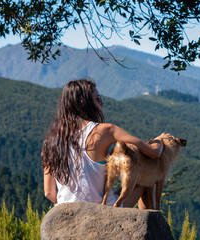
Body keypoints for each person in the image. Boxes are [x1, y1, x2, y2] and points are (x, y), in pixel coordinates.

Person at [41, 79, 172, 209]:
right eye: (97, 99)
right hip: (102, 209)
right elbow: (154, 152)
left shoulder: (51, 140)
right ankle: (147, 224)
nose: (102, 103)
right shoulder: (106, 130)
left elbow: (49, 193)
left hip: (65, 208)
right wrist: (160, 140)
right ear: (83, 102)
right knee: (145, 180)